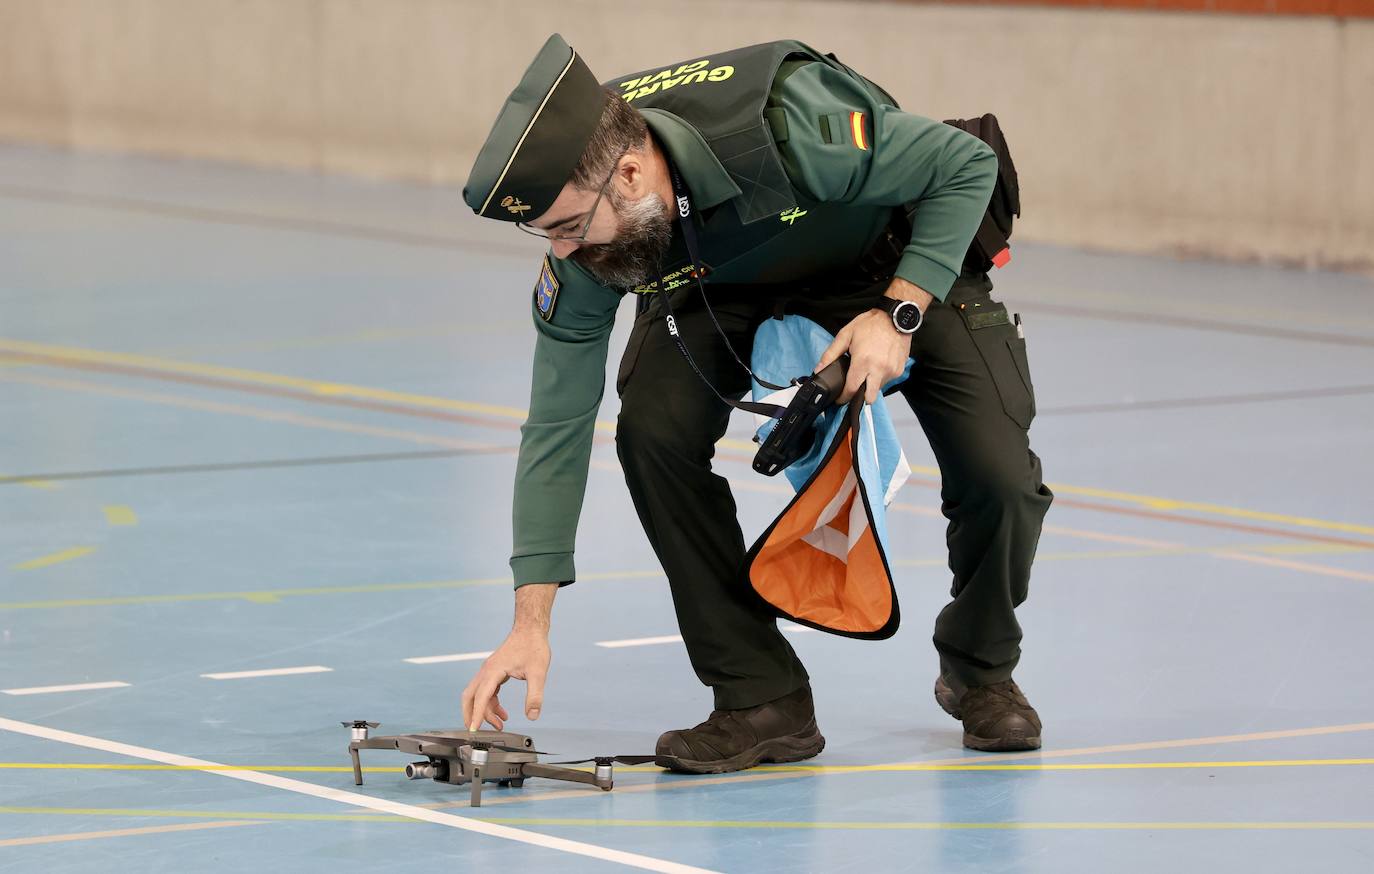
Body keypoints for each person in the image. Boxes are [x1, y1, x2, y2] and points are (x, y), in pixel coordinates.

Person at [459, 34, 1053, 773]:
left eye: (569, 227)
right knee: (653, 433)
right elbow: (555, 424)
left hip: (889, 259)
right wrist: (530, 620)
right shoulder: (592, 235)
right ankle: (759, 696)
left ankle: (981, 667)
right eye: (545, 232)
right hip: (720, 279)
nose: (565, 253)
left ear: (633, 171)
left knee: (1000, 476)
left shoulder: (794, 127)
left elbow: (968, 164)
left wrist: (899, 313)